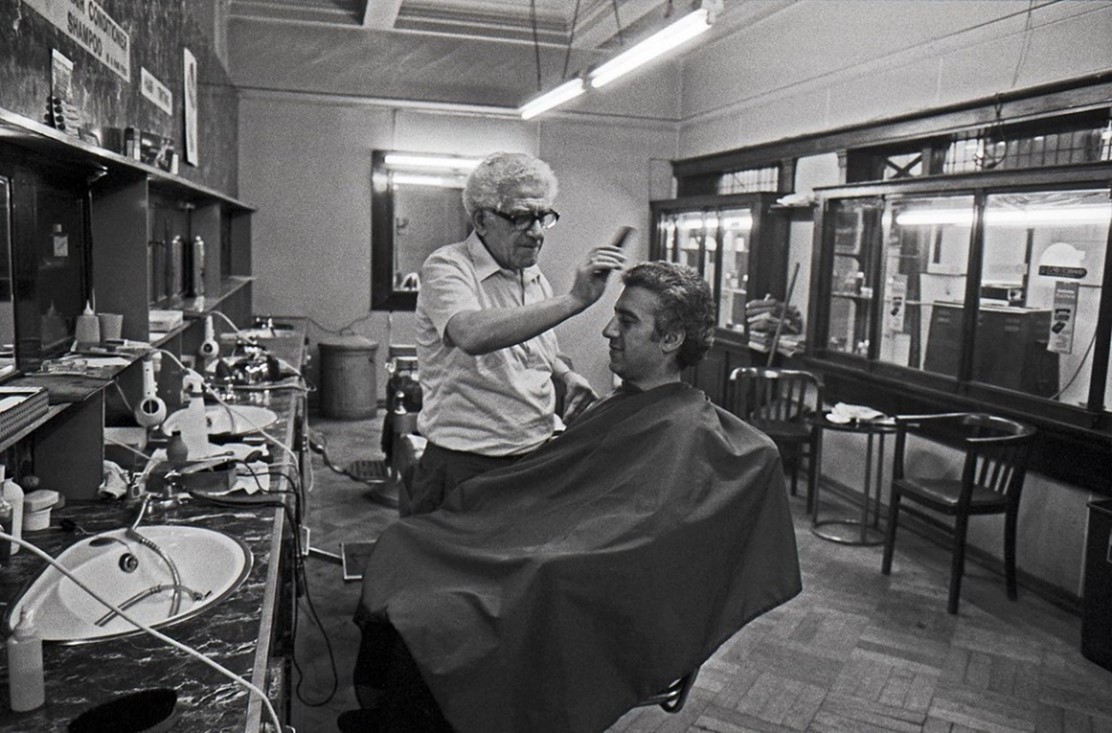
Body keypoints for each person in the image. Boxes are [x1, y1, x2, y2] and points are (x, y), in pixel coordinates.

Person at [342, 261, 802, 733]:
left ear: (671, 339)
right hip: (544, 549)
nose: (608, 331)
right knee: (408, 544)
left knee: (440, 616)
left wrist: (539, 561)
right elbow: (563, 494)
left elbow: (630, 535)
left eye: (626, 321)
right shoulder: (620, 408)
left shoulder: (689, 431)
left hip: (572, 580)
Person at [404, 151, 626, 516]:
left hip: (532, 454)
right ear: (481, 219)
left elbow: (534, 345)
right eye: (521, 217)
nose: (537, 232)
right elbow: (471, 333)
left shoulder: (534, 278)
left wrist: (566, 375)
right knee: (457, 572)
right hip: (466, 464)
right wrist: (574, 300)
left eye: (543, 217)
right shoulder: (448, 267)